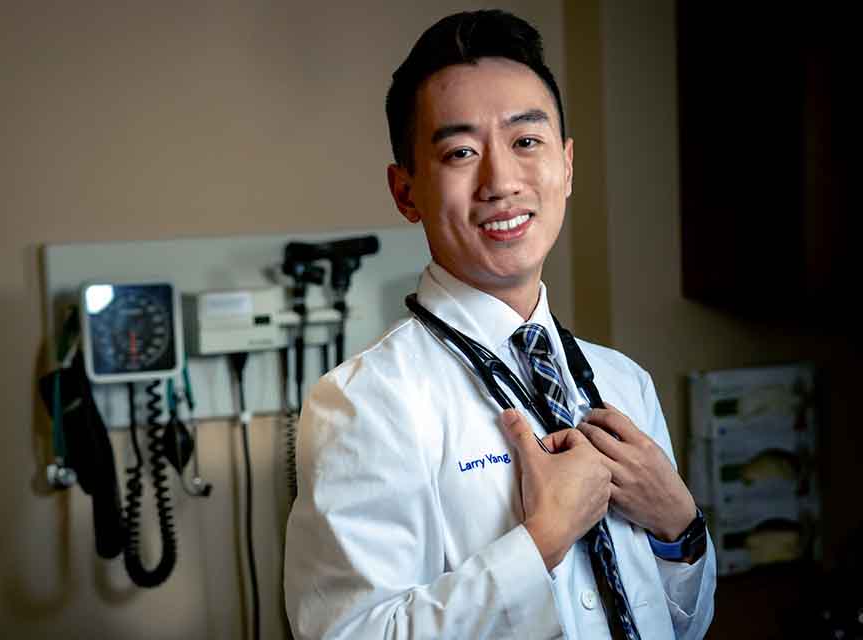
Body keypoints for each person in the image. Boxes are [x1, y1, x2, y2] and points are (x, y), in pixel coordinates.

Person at [284, 9, 715, 639]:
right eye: (461, 152)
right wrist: (539, 543)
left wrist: (680, 526)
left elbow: (685, 623)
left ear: (567, 166)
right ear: (406, 192)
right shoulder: (365, 404)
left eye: (526, 141)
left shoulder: (623, 383)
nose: (501, 180)